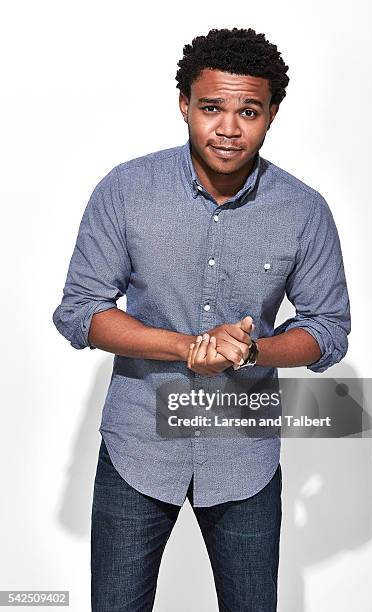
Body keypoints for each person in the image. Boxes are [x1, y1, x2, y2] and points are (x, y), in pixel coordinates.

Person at [52, 27, 351, 612]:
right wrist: (188, 346)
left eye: (249, 111)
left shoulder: (304, 211)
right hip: (137, 447)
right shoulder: (127, 190)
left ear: (272, 114)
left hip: (244, 453)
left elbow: (328, 329)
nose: (229, 128)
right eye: (212, 107)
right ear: (185, 104)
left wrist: (252, 351)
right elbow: (80, 313)